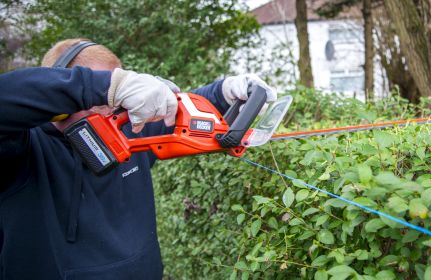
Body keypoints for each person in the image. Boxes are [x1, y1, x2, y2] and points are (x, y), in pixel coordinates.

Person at [0, 38, 276, 279]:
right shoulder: (20, 149)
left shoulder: (127, 131)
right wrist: (106, 86)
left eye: (118, 100)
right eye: (102, 96)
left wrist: (225, 92)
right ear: (63, 97)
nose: (115, 111)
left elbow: (177, 114)